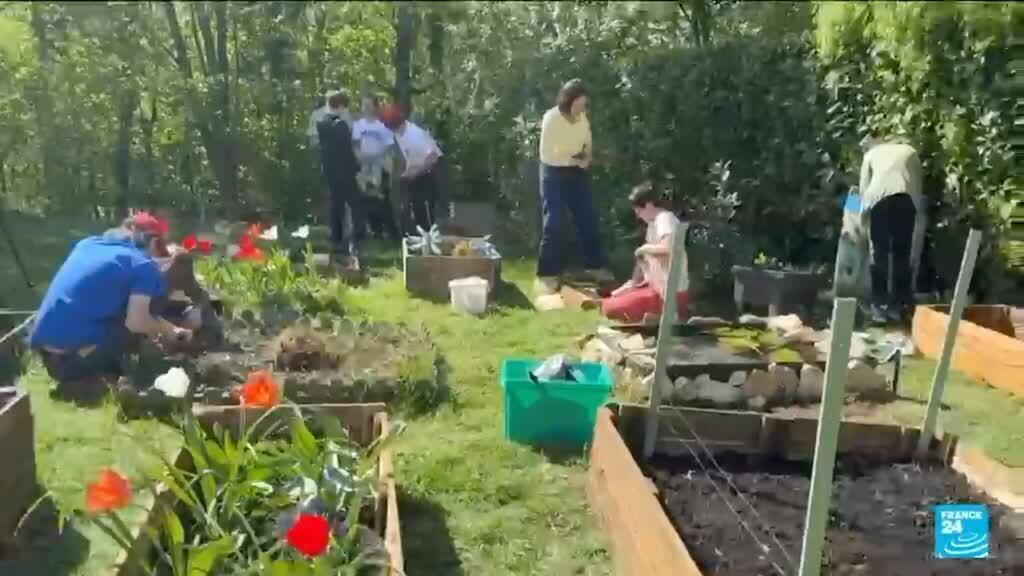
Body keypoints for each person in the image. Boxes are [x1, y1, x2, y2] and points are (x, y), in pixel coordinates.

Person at [28, 212, 196, 405]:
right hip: (73, 361)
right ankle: (104, 383)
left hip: (49, 360)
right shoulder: (142, 265)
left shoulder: (87, 244)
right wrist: (168, 331)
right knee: (132, 331)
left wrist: (167, 329)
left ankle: (84, 380)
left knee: (123, 318)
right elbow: (137, 321)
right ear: (153, 243)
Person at [535, 78, 609, 296]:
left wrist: (587, 156)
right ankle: (547, 274)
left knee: (587, 217)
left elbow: (587, 141)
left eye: (584, 105)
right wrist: (576, 160)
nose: (582, 109)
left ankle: (595, 266)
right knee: (554, 222)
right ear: (568, 101)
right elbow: (549, 154)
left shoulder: (582, 118)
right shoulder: (552, 119)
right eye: (579, 105)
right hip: (553, 172)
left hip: (576, 171)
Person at [601, 183, 690, 324]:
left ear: (648, 205)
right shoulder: (653, 224)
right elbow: (644, 259)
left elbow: (668, 249)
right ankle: (655, 318)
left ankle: (665, 318)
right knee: (611, 301)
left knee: (611, 309)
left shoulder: (665, 218)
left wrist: (644, 249)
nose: (638, 216)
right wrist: (633, 282)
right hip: (656, 288)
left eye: (638, 211)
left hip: (670, 294)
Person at [858, 137, 925, 323]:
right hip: (905, 200)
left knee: (879, 252)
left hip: (878, 201)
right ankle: (900, 305)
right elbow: (916, 185)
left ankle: (879, 305)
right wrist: (918, 214)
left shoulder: (870, 154)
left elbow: (864, 191)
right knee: (901, 253)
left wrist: (861, 220)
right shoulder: (910, 151)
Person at [317, 90, 363, 270]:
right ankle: (356, 235)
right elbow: (346, 151)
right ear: (341, 106)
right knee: (354, 203)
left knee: (335, 204)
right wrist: (357, 167)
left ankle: (336, 238)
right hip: (345, 171)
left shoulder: (322, 123)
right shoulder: (341, 125)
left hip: (330, 171)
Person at [381, 105, 443, 235]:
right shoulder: (399, 133)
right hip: (416, 175)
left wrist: (416, 170)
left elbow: (433, 157)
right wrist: (409, 170)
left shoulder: (415, 134)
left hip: (429, 174)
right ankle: (420, 243)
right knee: (416, 210)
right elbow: (412, 156)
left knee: (426, 214)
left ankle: (431, 243)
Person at [353, 96, 398, 240]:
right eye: (363, 105)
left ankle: (391, 232)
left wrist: (379, 158)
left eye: (369, 105)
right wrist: (361, 160)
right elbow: (355, 145)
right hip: (364, 166)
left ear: (374, 107)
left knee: (382, 199)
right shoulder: (358, 125)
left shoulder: (381, 126)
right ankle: (374, 230)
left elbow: (389, 145)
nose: (366, 108)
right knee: (366, 198)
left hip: (379, 165)